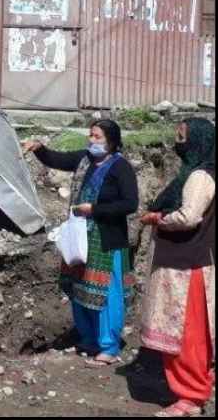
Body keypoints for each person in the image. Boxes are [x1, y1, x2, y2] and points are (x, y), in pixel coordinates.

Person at [22, 119, 139, 367]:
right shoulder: (85, 159)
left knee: (105, 294)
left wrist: (94, 209)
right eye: (90, 136)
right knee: (80, 289)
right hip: (81, 236)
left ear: (111, 141)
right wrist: (38, 148)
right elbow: (57, 159)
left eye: (97, 137)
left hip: (106, 239)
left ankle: (109, 346)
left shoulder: (121, 168)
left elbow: (130, 204)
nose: (92, 141)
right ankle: (89, 338)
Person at [137, 118, 215, 418]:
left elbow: (188, 217)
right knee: (189, 332)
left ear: (197, 141)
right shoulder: (201, 173)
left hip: (186, 267)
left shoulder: (199, 177)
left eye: (181, 137)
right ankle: (194, 387)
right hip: (188, 262)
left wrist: (157, 219)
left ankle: (191, 397)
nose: (176, 142)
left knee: (186, 333)